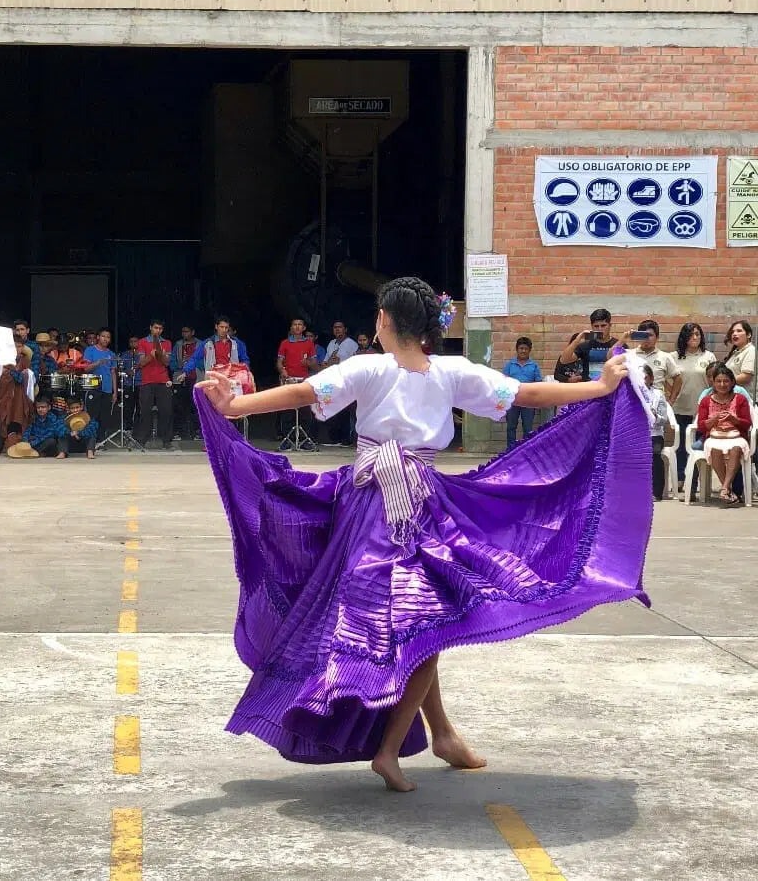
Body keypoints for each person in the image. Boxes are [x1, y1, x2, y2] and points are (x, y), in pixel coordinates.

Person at [194, 276, 651, 792]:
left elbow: (302, 392)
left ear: (384, 322)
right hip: (403, 504)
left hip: (382, 507)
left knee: (424, 622)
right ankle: (406, 744)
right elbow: (526, 394)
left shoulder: (371, 367)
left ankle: (429, 737)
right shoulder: (449, 372)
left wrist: (235, 407)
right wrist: (597, 388)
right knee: (424, 624)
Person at [670, 322, 717, 494]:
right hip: (680, 407)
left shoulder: (708, 356)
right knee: (682, 445)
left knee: (699, 446)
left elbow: (716, 381)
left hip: (703, 411)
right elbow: (669, 379)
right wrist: (671, 395)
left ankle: (696, 482)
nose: (695, 337)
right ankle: (682, 479)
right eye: (691, 334)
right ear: (684, 337)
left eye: (698, 334)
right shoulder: (674, 357)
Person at [697, 363, 752, 505]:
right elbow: (701, 426)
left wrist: (734, 419)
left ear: (732, 382)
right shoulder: (706, 400)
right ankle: (727, 490)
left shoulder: (740, 399)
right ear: (713, 383)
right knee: (714, 449)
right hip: (714, 436)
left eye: (726, 381)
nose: (722, 384)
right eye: (718, 381)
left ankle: (724, 488)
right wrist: (713, 420)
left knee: (736, 448)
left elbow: (747, 424)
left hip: (736, 436)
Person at [276, 318, 318, 451]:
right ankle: (287, 440)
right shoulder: (285, 343)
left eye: (300, 325)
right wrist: (282, 370)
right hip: (289, 380)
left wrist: (308, 363)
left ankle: (305, 441)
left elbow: (315, 365)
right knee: (288, 411)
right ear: (291, 327)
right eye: (295, 324)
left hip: (304, 381)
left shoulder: (309, 343)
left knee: (305, 411)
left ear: (304, 328)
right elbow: (279, 362)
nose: (297, 327)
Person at [133, 319, 174, 450]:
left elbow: (167, 363)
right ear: (150, 328)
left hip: (163, 380)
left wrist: (159, 353)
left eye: (160, 328)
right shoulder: (142, 342)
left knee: (166, 411)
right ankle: (142, 439)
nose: (158, 330)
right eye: (156, 328)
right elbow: (140, 363)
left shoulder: (166, 343)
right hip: (147, 381)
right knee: (145, 411)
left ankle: (166, 440)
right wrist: (151, 356)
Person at [0, 346, 36, 457]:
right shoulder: (2, 361)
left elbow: (22, 378)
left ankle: (17, 446)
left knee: (17, 419)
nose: (16, 349)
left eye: (19, 346)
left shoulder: (25, 361)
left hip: (20, 397)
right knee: (2, 420)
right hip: (4, 396)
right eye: (14, 346)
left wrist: (12, 370)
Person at [502, 336, 544, 447]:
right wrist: (503, 401)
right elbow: (503, 383)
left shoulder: (534, 366)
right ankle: (510, 451)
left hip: (529, 402)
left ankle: (525, 451)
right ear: (517, 349)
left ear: (529, 350)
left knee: (528, 428)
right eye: (521, 348)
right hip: (512, 401)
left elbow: (538, 383)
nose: (523, 351)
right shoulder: (510, 365)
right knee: (511, 426)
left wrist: (538, 401)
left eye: (526, 348)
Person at [556, 309, 617, 381]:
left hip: (611, 388)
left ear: (610, 325)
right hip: (589, 388)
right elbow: (564, 360)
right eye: (596, 326)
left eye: (603, 325)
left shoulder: (618, 345)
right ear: (592, 326)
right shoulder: (585, 345)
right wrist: (577, 339)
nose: (600, 329)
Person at [642, 364, 671, 501]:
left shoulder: (658, 395)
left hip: (654, 434)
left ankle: (656, 492)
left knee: (654, 455)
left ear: (651, 379)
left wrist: (655, 416)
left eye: (645, 377)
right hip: (633, 434)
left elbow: (663, 420)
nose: (642, 380)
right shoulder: (628, 395)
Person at [81, 328, 118, 432]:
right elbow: (86, 368)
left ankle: (101, 440)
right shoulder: (90, 350)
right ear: (98, 337)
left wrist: (115, 392)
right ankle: (91, 440)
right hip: (93, 387)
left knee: (105, 416)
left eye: (108, 337)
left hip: (107, 388)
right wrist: (97, 363)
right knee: (92, 415)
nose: (105, 339)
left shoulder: (111, 354)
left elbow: (113, 373)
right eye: (103, 336)